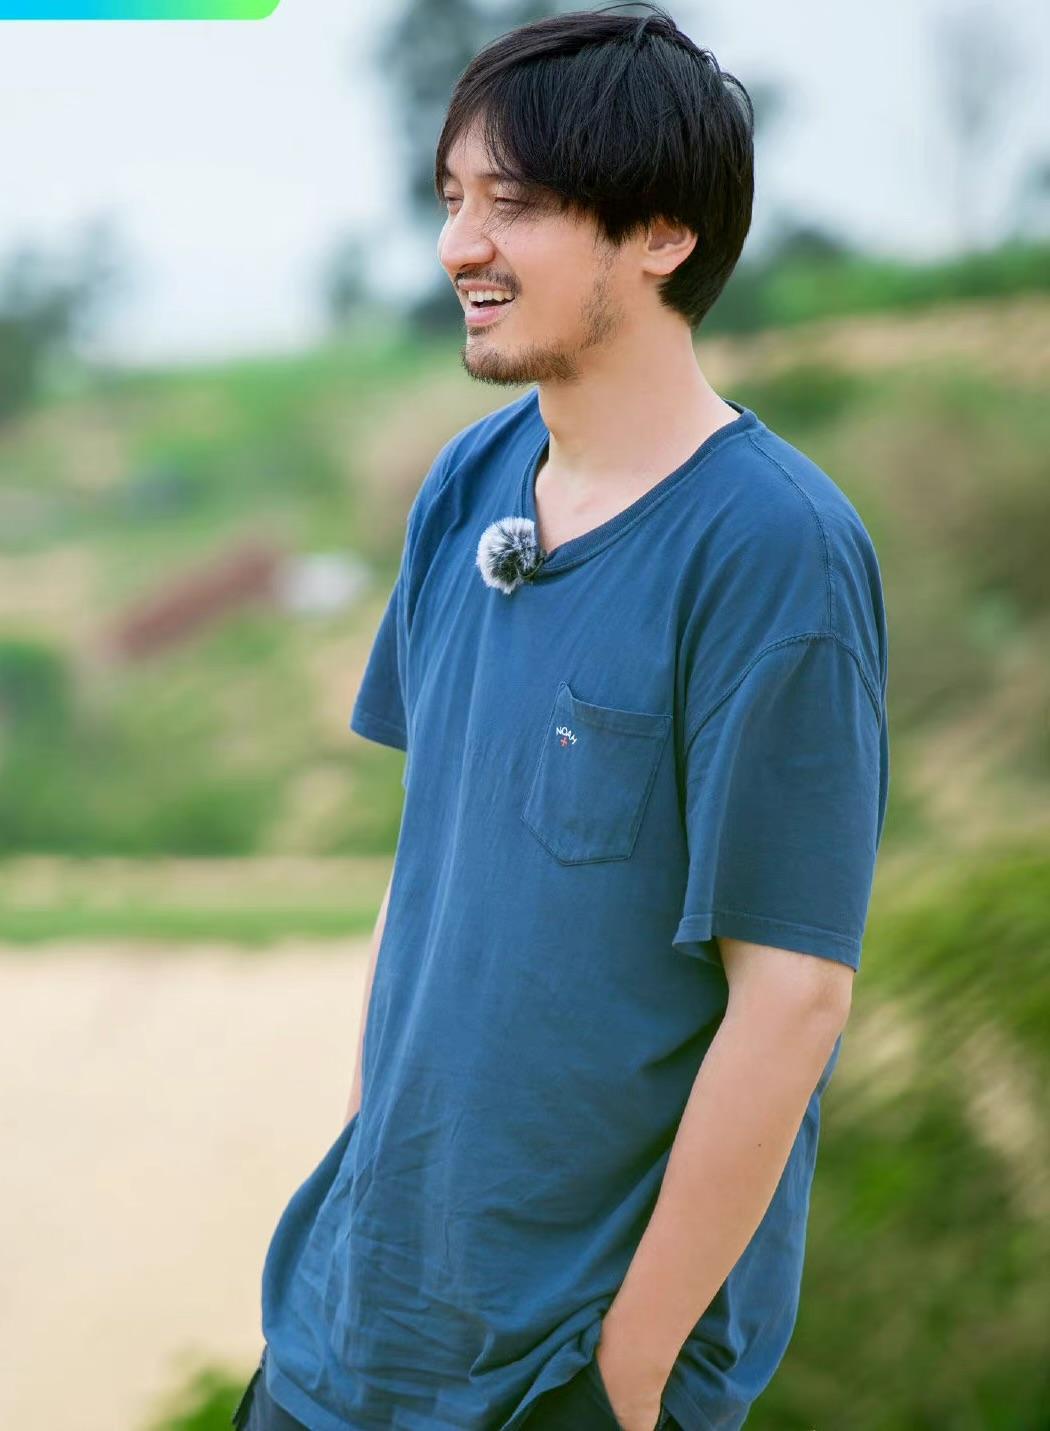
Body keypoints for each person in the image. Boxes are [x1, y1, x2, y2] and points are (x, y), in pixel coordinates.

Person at [237, 5, 890, 1428]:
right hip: (356, 1328)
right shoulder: (465, 484)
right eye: (452, 199)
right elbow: (433, 870)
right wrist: (365, 1186)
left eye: (514, 205)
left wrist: (629, 1370)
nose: (457, 247)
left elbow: (792, 999)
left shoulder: (773, 550)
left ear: (660, 232)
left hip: (563, 1370)